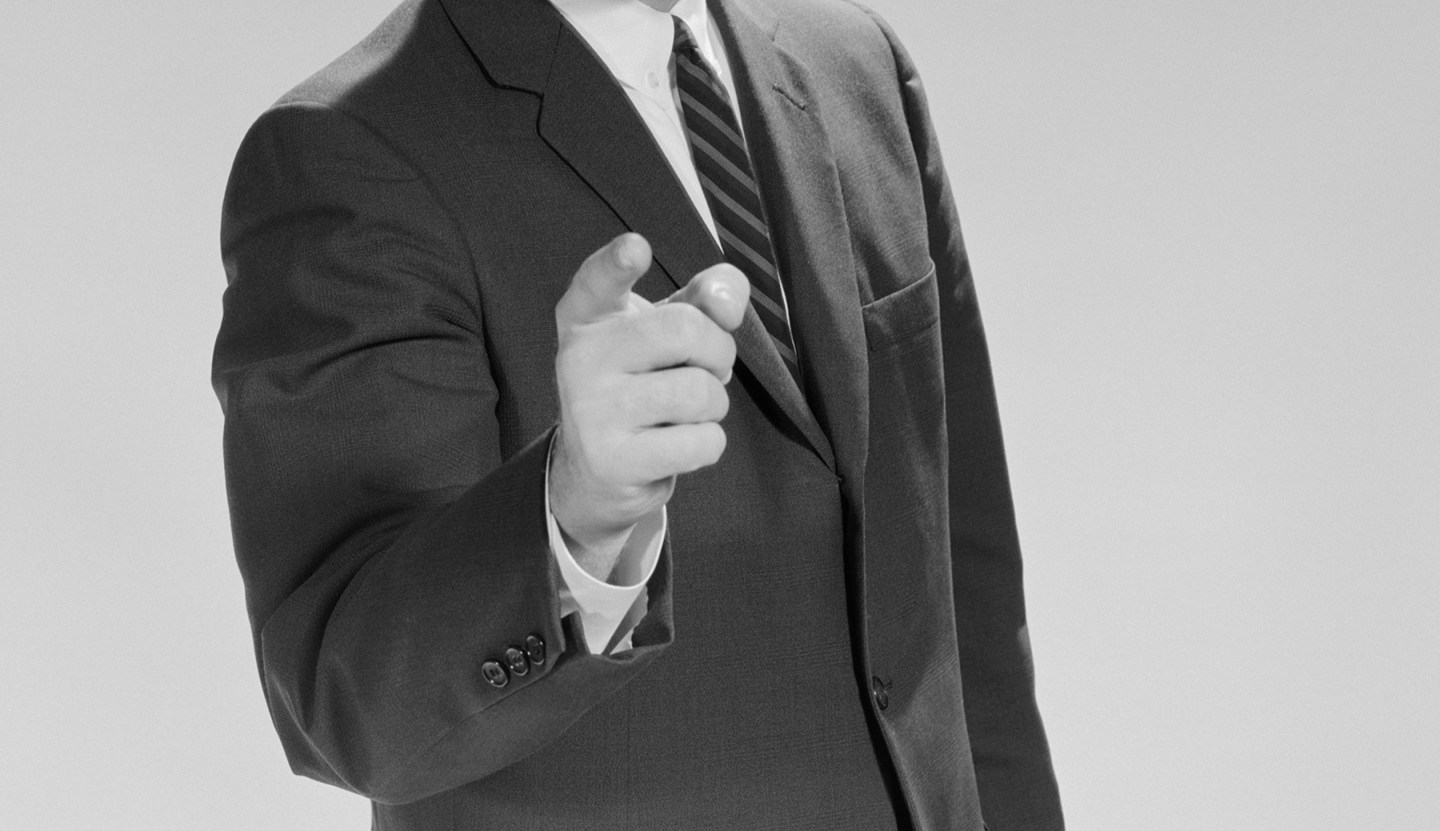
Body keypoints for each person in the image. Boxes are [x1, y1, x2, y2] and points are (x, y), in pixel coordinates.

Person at [212, 0, 1064, 828]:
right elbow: (347, 705)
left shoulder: (860, 64)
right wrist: (571, 516)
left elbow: (967, 587)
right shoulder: (344, 150)